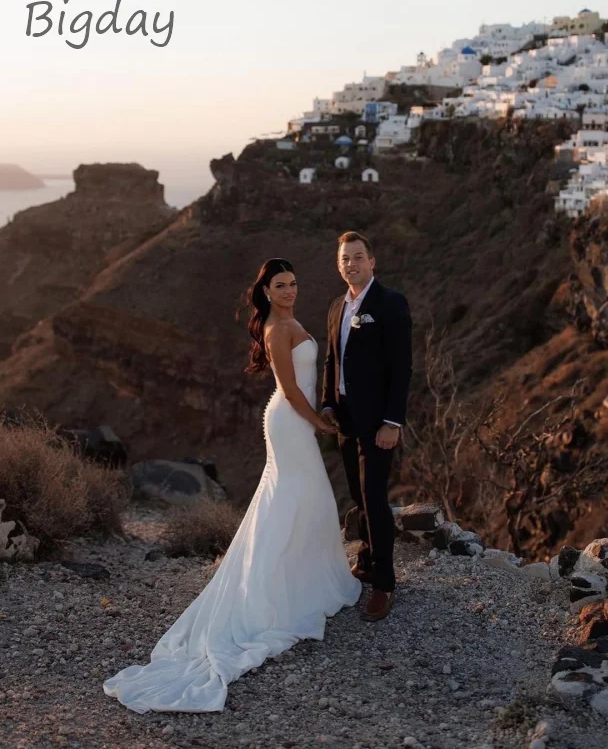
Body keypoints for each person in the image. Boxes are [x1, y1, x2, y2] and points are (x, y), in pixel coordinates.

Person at [103, 258, 361, 713]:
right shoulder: (277, 331)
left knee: (304, 499)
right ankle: (273, 595)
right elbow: (288, 387)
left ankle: (302, 579)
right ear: (265, 292)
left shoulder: (291, 321)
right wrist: (319, 424)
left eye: (294, 284)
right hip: (289, 420)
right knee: (293, 497)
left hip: (296, 421)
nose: (289, 291)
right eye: (280, 286)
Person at [321, 232, 412, 622]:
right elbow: (331, 359)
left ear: (372, 262)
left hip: (378, 422)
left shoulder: (390, 303)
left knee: (375, 497)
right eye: (345, 259)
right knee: (358, 495)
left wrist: (392, 421)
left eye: (358, 257)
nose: (351, 264)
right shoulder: (336, 307)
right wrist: (327, 402)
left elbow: (401, 367)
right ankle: (369, 559)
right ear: (338, 265)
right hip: (345, 418)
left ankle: (385, 585)